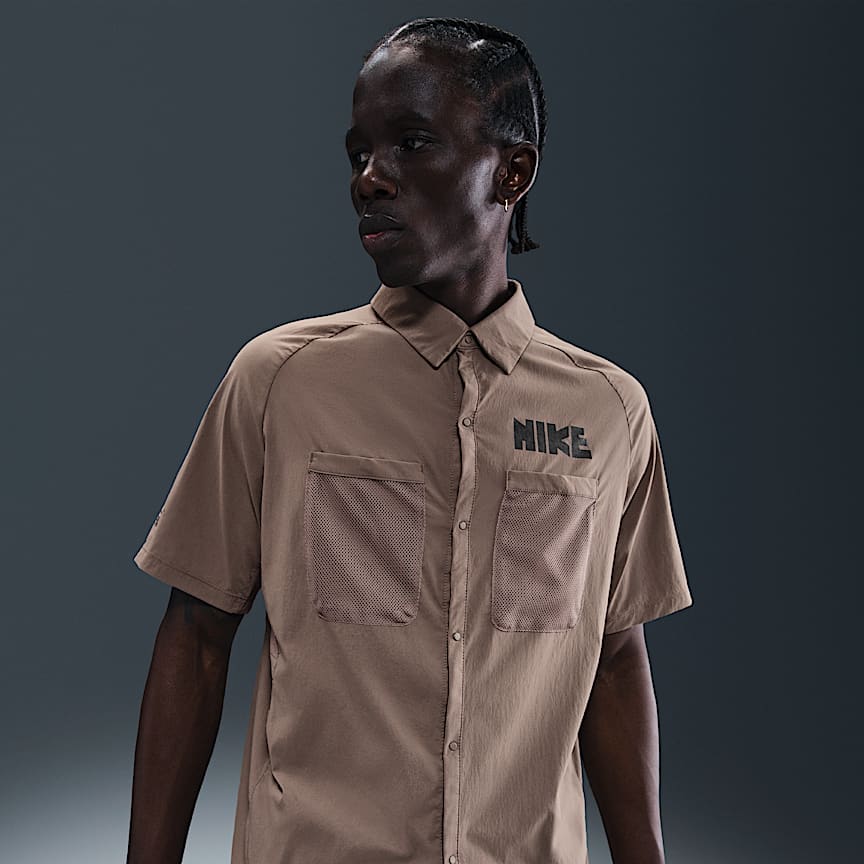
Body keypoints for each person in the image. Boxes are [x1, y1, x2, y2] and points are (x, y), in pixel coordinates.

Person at [127, 16, 693, 864]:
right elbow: (197, 638)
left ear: (512, 171)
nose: (370, 178)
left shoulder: (610, 410)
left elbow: (613, 658)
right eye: (358, 152)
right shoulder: (280, 381)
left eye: (411, 143)